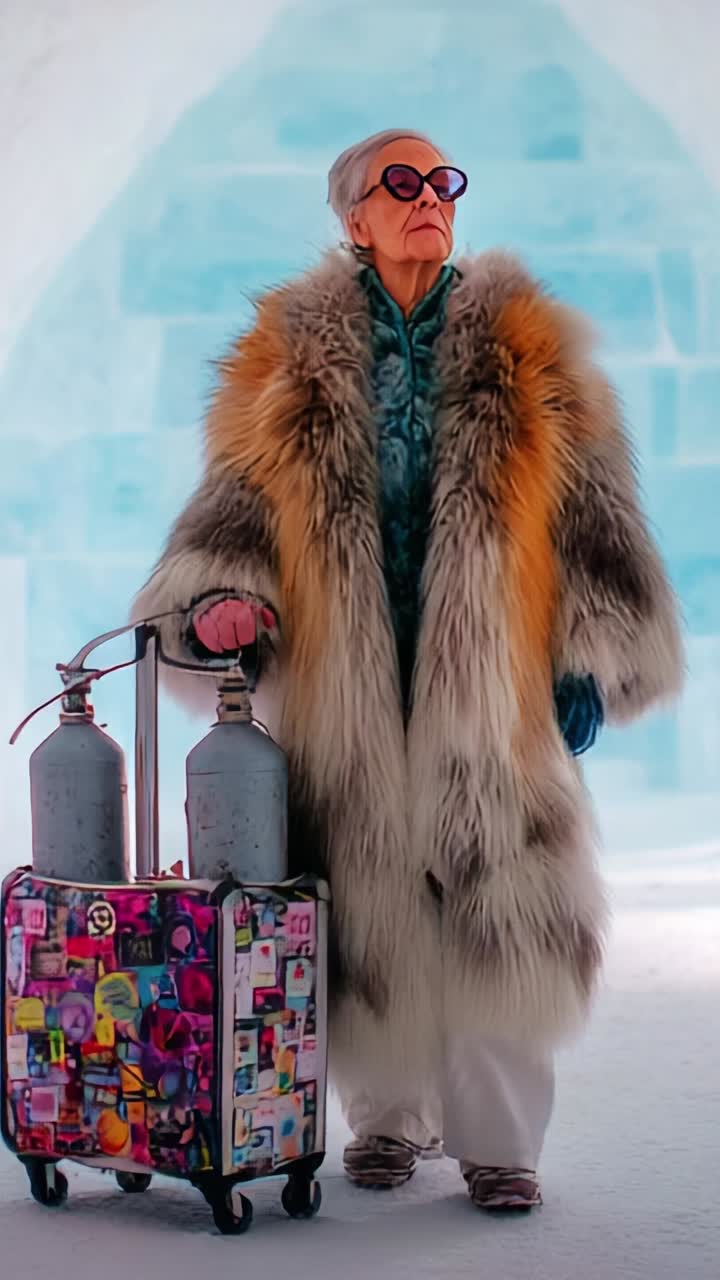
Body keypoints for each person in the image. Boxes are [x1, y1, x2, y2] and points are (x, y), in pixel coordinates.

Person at [132, 128, 683, 1212]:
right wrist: (215, 607)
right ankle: (388, 1118)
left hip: (497, 682)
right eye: (402, 182)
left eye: (442, 181)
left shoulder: (536, 354)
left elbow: (596, 525)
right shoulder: (281, 368)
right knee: (368, 891)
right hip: (348, 679)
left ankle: (499, 1140)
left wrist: (592, 658)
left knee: (495, 898)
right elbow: (231, 521)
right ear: (354, 215)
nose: (429, 197)